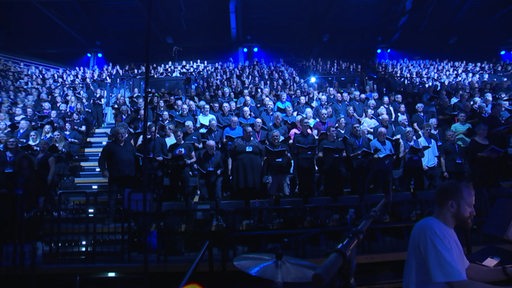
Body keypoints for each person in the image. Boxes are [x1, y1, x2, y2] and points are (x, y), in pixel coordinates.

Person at [403, 180, 512, 287]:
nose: (474, 212)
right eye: (470, 206)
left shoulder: (444, 229)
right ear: (452, 206)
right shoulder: (430, 229)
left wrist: (508, 271)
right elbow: (458, 283)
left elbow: (467, 270)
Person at [98, 126, 139, 220]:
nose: (122, 135)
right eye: (120, 134)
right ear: (115, 135)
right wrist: (104, 170)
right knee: (112, 199)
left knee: (128, 198)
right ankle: (110, 218)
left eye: (123, 134)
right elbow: (102, 160)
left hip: (128, 177)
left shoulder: (129, 145)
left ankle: (128, 219)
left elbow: (136, 159)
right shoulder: (109, 146)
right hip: (115, 177)